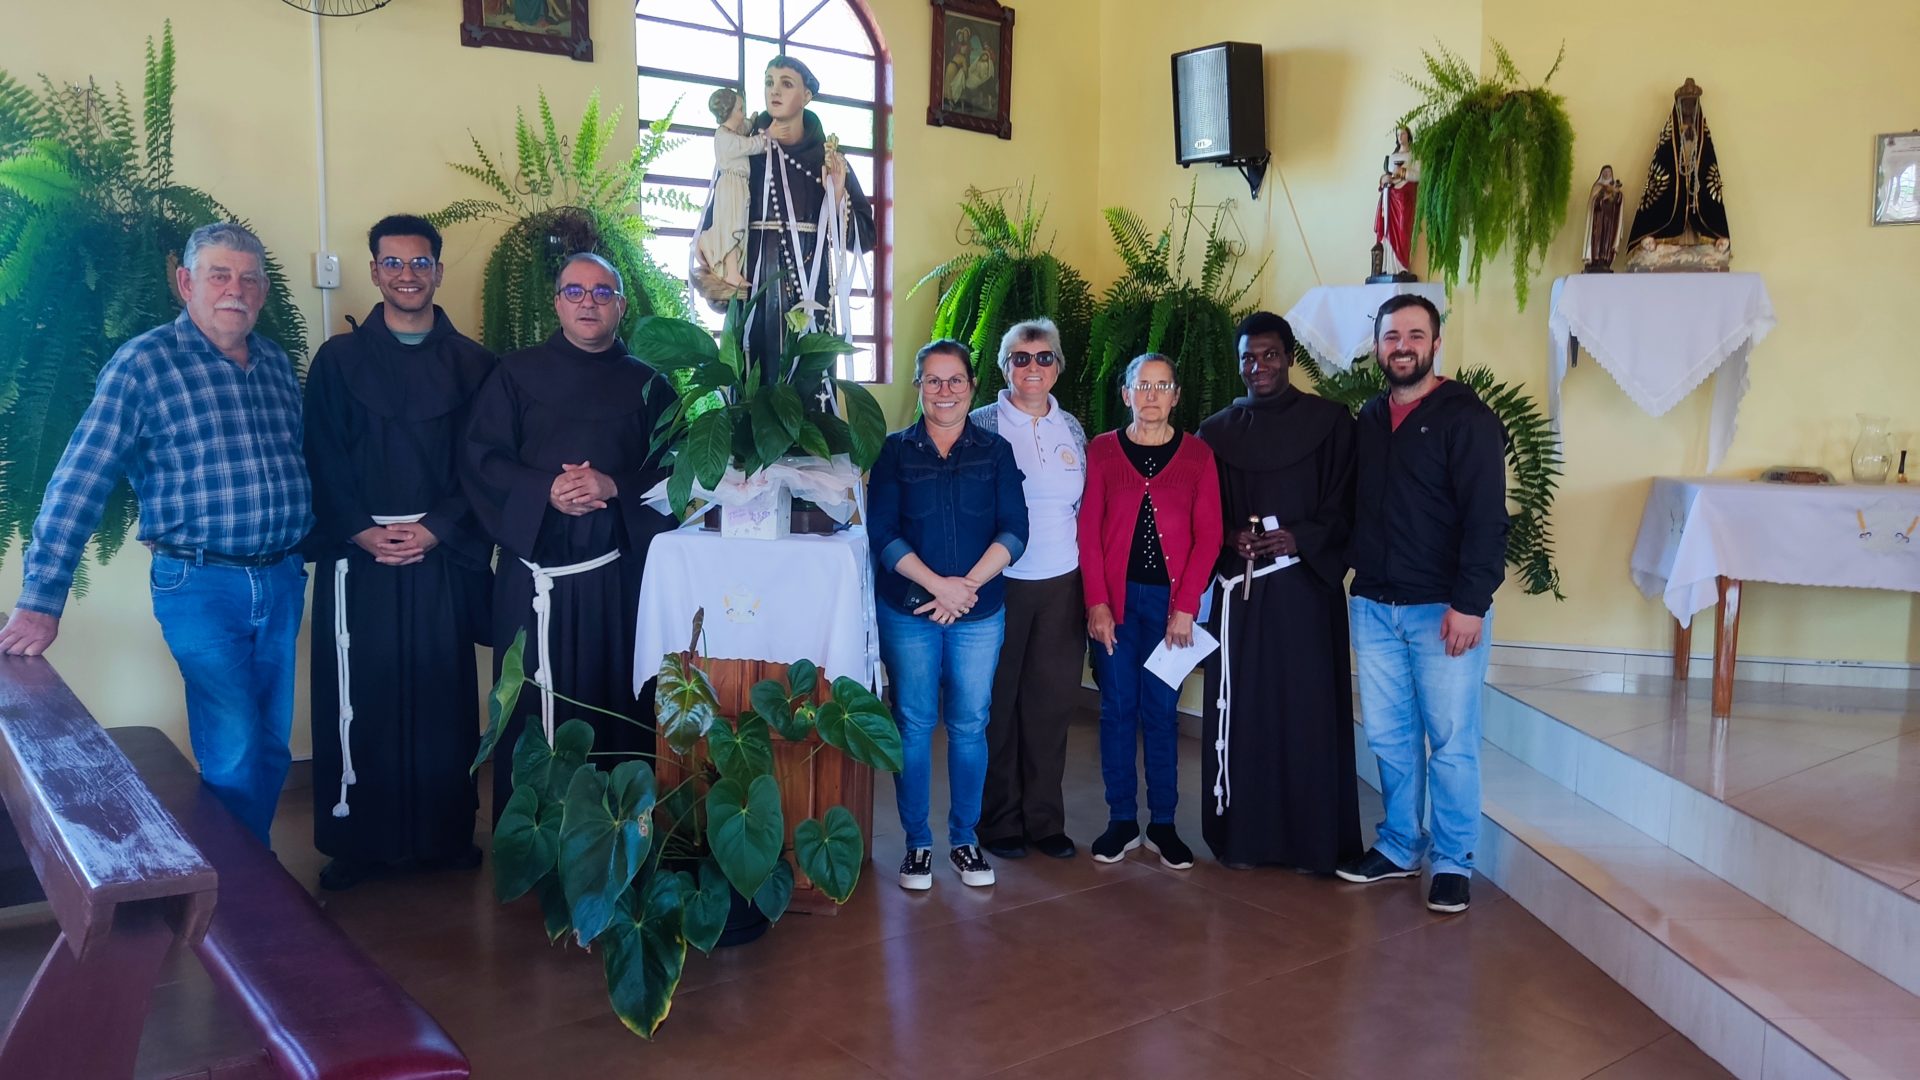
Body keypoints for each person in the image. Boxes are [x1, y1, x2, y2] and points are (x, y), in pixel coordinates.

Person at [0, 222, 311, 845]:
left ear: (263, 290)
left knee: (271, 744)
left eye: (249, 278)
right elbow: (80, 479)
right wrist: (41, 598)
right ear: (185, 283)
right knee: (233, 747)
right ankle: (239, 886)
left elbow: (296, 463)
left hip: (281, 578)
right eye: (219, 275)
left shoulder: (276, 365)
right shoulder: (143, 364)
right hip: (200, 583)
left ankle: (252, 869)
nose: (235, 289)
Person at [303, 215, 497, 890]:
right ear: (374, 271)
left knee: (443, 695)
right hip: (358, 557)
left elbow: (484, 465)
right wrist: (358, 528)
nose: (406, 275)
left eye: (419, 263)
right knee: (362, 691)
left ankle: (445, 836)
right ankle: (358, 842)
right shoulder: (337, 362)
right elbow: (320, 455)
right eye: (393, 263)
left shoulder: (476, 365)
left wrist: (439, 526)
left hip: (439, 553)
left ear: (438, 271)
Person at [462, 253, 674, 818]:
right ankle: (533, 838)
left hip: (616, 582)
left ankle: (615, 835)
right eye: (575, 292)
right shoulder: (513, 374)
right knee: (531, 710)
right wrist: (544, 491)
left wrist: (613, 484)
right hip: (533, 580)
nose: (588, 303)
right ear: (556, 302)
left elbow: (679, 472)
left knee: (616, 705)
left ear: (620, 306)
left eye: (602, 293)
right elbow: (480, 460)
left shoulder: (650, 385)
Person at [1336, 294, 1508, 914]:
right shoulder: (1369, 417)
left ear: (1436, 344)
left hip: (1443, 610)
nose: (1402, 346)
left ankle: (1454, 859)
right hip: (1375, 604)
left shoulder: (1467, 419)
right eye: (1391, 336)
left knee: (1452, 741)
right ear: (1377, 346)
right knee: (1389, 737)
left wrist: (1471, 604)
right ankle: (1400, 845)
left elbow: (1487, 519)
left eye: (1415, 335)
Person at [1197, 312, 1361, 874]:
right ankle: (1245, 839)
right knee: (1245, 713)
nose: (1258, 366)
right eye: (1248, 356)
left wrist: (1302, 537)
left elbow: (1348, 503)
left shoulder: (1330, 423)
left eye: (1269, 355)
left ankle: (1312, 844)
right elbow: (1201, 511)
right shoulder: (1215, 432)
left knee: (1306, 714)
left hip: (1305, 595)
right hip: (1241, 598)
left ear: (1289, 358)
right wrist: (1229, 537)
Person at [867, 340, 1028, 891]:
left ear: (972, 387)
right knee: (913, 724)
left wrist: (967, 589)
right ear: (918, 387)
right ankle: (917, 844)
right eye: (932, 380)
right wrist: (940, 588)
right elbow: (882, 532)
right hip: (909, 610)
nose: (944, 391)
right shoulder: (894, 451)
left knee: (969, 724)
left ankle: (964, 840)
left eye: (955, 379)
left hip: (979, 613)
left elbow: (1016, 530)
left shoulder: (996, 451)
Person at [1078, 354, 1221, 870]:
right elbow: (1088, 532)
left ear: (1176, 396)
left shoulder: (1198, 456)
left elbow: (1209, 537)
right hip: (1116, 604)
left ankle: (1163, 822)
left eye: (1162, 386)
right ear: (1126, 394)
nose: (1152, 395)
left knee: (1161, 712)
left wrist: (1185, 608)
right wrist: (1097, 602)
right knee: (1117, 709)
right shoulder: (1102, 450)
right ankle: (1121, 820)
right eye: (1143, 386)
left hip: (1169, 609)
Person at [969, 319, 1087, 861]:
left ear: (1057, 366)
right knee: (998, 705)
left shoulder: (1072, 427)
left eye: (1043, 358)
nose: (1032, 368)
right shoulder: (981, 424)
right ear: (1004, 367)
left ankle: (1044, 820)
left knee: (1050, 704)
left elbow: (1081, 506)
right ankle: (999, 821)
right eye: (1021, 358)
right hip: (1000, 584)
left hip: (1062, 583)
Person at [692, 87, 769, 305]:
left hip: (739, 185)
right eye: (740, 109)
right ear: (728, 112)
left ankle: (733, 270)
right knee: (733, 227)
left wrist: (752, 121)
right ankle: (731, 271)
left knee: (738, 227)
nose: (742, 114)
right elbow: (749, 145)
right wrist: (767, 138)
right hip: (731, 186)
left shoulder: (732, 131)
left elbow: (743, 128)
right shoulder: (724, 137)